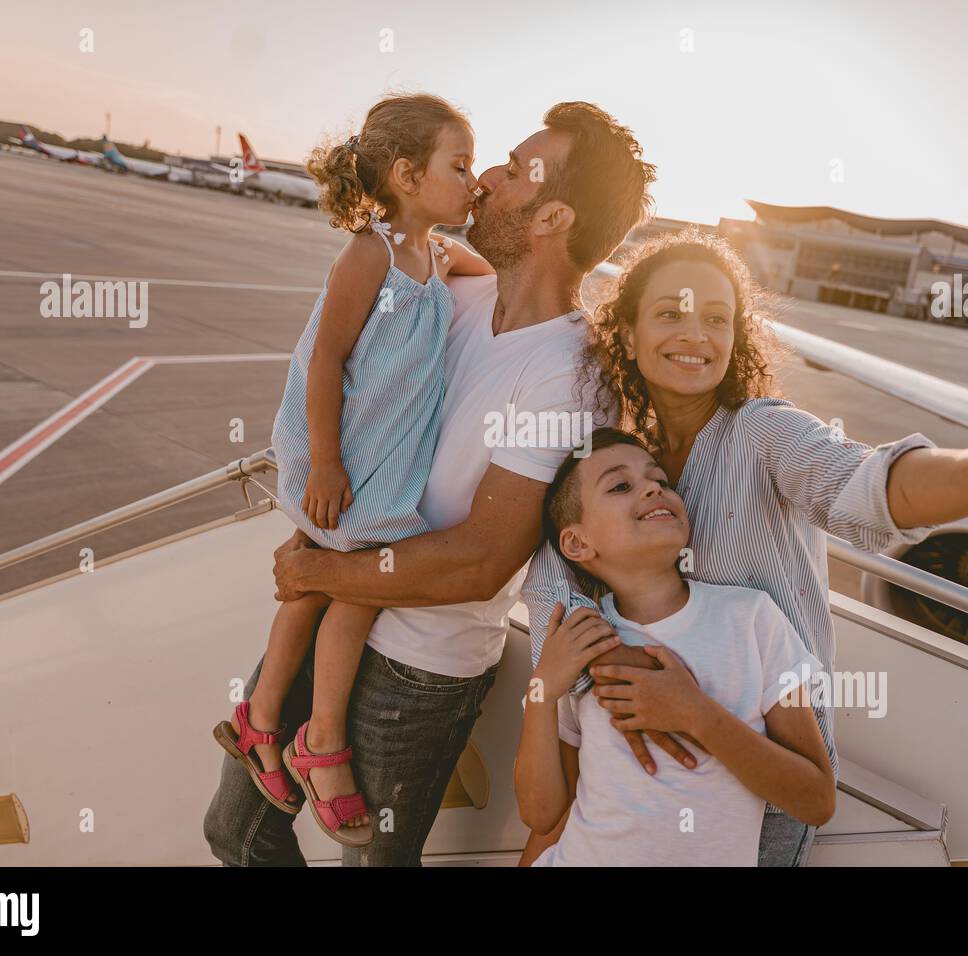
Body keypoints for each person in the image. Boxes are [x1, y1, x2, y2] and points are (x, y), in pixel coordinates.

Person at [520, 228, 968, 866]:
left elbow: (874, 489)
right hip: (628, 772)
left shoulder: (763, 433)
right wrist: (623, 682)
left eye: (716, 318)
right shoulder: (628, 466)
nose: (696, 335)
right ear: (627, 334)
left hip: (766, 775)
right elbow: (553, 594)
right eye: (670, 314)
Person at [205, 101, 655, 865]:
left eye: (513, 172)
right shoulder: (455, 296)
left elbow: (482, 558)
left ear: (552, 217)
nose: (485, 179)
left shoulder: (569, 376)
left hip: (418, 665)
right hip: (331, 606)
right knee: (236, 830)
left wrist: (320, 566)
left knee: (370, 861)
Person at [212, 93, 491, 847]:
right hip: (340, 452)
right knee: (343, 581)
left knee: (338, 578)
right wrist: (327, 464)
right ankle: (313, 738)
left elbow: (484, 269)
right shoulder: (370, 254)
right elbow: (326, 359)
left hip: (382, 454)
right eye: (459, 166)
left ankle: (264, 718)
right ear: (405, 173)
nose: (473, 181)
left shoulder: (435, 254)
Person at [515, 428, 835, 865]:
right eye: (620, 486)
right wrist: (542, 691)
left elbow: (816, 800)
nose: (652, 487)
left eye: (661, 481)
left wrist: (696, 714)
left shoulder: (751, 618)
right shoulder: (577, 643)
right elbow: (542, 813)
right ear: (576, 543)